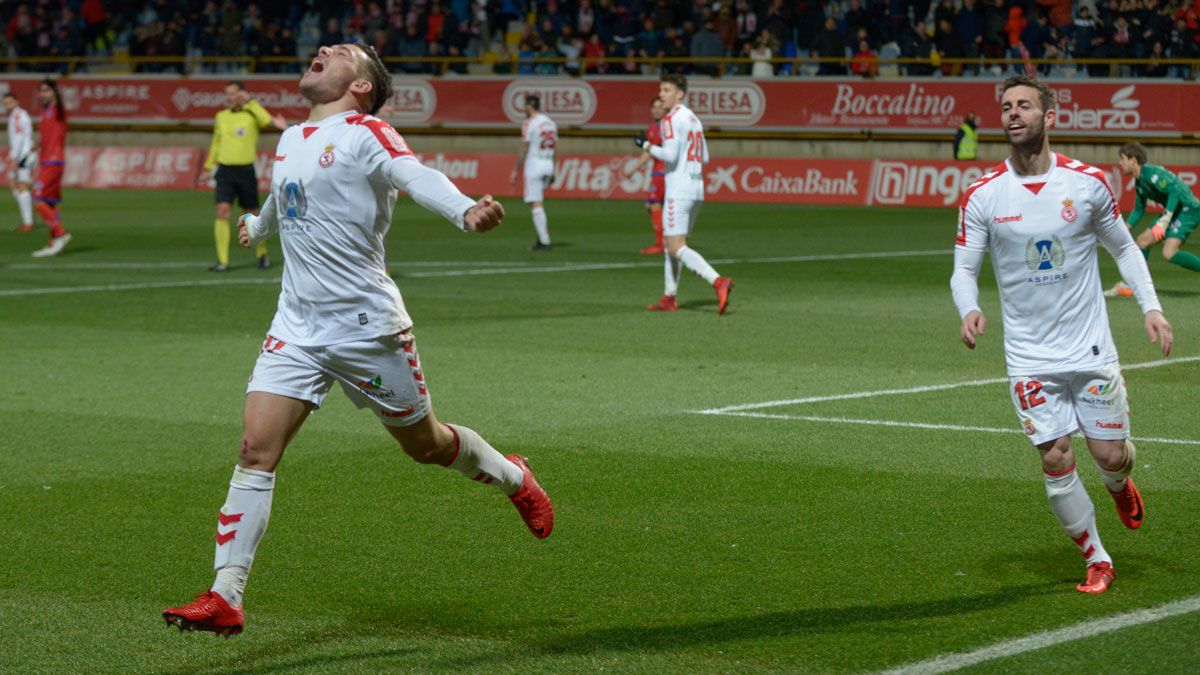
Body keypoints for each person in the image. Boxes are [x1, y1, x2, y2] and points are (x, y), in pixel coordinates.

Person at [162, 43, 554, 637]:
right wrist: (258, 225)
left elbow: (414, 174)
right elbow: (286, 198)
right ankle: (225, 595)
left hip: (367, 327)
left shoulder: (368, 132)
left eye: (341, 52)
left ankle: (512, 476)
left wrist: (464, 210)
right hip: (295, 326)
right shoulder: (291, 139)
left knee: (425, 445)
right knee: (254, 449)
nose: (322, 50)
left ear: (363, 85)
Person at [951, 74, 1172, 595]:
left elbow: (1124, 249)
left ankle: (1120, 485)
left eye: (1024, 105)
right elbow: (963, 268)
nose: (1013, 114)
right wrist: (969, 306)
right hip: (1028, 356)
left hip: (1090, 348)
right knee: (1055, 456)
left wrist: (1152, 307)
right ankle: (1097, 557)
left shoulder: (1087, 183)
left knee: (1110, 456)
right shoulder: (983, 195)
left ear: (1049, 117)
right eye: (1006, 106)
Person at [635, 73, 734, 315]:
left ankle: (717, 281)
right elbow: (706, 157)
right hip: (697, 188)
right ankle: (669, 297)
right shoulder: (693, 118)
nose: (661, 95)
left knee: (675, 246)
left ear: (680, 94)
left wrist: (645, 145)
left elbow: (670, 156)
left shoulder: (670, 120)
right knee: (674, 243)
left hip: (678, 189)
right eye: (661, 90)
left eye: (667, 90)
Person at [200, 81, 288, 272]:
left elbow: (266, 120)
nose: (229, 98)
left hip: (246, 170)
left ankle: (261, 254)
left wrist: (251, 102)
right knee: (222, 211)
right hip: (225, 170)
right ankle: (222, 261)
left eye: (233, 94)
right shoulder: (221, 116)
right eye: (227, 95)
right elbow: (216, 142)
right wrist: (208, 167)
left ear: (242, 94)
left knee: (252, 213)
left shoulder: (251, 114)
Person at [1105, 142, 1200, 298]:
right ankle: (1134, 284)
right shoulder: (1140, 181)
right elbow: (1139, 208)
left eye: (1122, 159)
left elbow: (1175, 191)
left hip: (1187, 210)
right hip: (1174, 211)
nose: (1120, 163)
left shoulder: (1152, 174)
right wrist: (1127, 226)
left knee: (1169, 252)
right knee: (1142, 242)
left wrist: (1166, 218)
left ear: (1133, 160)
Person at [509, 94, 557, 251]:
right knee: (537, 201)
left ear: (530, 106)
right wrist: (554, 169)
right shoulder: (550, 123)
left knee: (536, 203)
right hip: (548, 163)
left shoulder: (529, 123)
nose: (524, 109)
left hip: (535, 164)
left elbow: (524, 148)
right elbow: (554, 147)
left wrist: (516, 169)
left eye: (525, 105)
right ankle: (541, 234)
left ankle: (544, 240)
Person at [30, 79, 71, 258]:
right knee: (49, 204)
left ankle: (61, 234)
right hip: (46, 161)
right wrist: (38, 146)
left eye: (46, 90)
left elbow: (59, 105)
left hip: (53, 162)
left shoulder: (59, 111)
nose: (42, 94)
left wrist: (56, 93)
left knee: (38, 200)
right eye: (41, 91)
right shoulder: (45, 113)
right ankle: (54, 242)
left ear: (54, 93)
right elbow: (48, 135)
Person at [623, 96, 666, 255]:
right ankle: (669, 239)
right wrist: (635, 168)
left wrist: (634, 169)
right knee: (654, 206)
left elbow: (655, 151)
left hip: (663, 171)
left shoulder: (665, 127)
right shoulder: (653, 128)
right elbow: (649, 152)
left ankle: (661, 244)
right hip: (661, 171)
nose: (656, 109)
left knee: (654, 204)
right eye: (654, 107)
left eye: (660, 106)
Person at [4, 92, 35, 231]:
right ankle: (27, 216)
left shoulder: (17, 115)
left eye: (10, 102)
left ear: (16, 102)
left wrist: (13, 156)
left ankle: (28, 222)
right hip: (21, 154)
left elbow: (19, 137)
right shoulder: (16, 115)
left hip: (23, 155)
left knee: (22, 185)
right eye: (5, 103)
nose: (7, 106)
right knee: (13, 184)